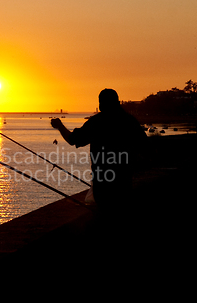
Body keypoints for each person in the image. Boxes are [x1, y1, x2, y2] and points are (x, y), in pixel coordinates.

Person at [51, 88, 146, 218]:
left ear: (101, 104)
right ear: (117, 102)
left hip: (103, 184)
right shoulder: (130, 121)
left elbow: (73, 140)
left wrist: (60, 126)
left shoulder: (96, 122)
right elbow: (145, 148)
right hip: (124, 182)